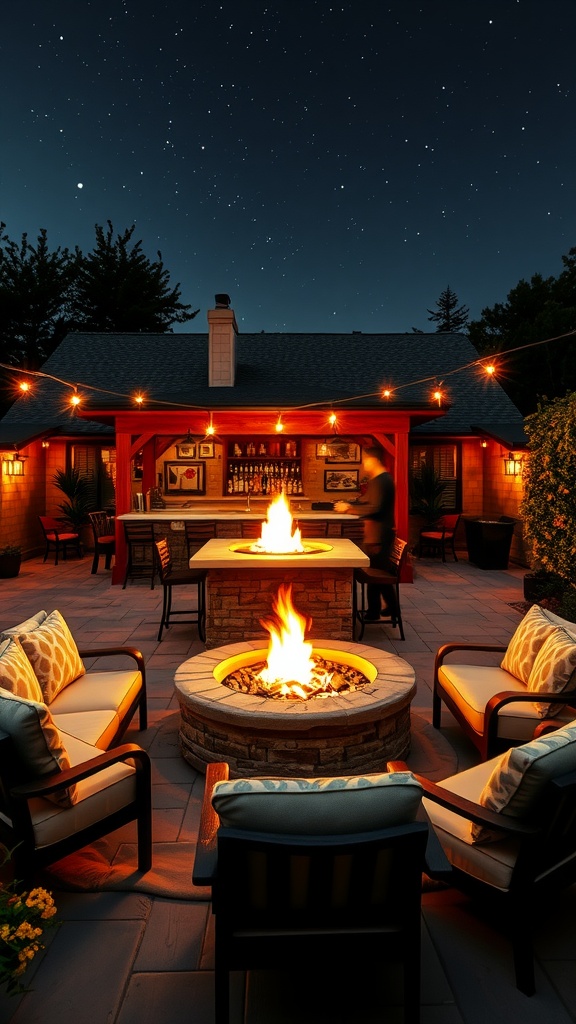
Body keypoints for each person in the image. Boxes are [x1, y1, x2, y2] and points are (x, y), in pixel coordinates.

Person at [334, 445, 397, 621]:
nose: (364, 464)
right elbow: (367, 501)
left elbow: (376, 509)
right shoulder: (378, 480)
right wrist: (350, 503)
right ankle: (391, 608)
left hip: (379, 535)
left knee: (373, 573)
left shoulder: (383, 481)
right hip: (376, 534)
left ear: (374, 460)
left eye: (366, 460)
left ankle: (374, 612)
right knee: (376, 571)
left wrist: (350, 508)